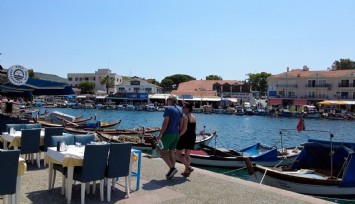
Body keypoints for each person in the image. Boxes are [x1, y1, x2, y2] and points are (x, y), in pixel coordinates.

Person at [157, 95, 183, 179]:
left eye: (167, 100)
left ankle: (172, 168)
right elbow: (181, 123)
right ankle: (171, 173)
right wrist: (179, 133)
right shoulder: (180, 109)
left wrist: (160, 134)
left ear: (171, 100)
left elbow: (166, 122)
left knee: (162, 151)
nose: (167, 101)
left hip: (168, 133)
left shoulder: (168, 109)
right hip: (176, 134)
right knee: (172, 152)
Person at [176, 102, 196, 177]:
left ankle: (188, 167)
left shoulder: (185, 117)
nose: (182, 109)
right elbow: (194, 128)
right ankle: (186, 172)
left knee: (178, 153)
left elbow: (184, 129)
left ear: (187, 109)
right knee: (187, 155)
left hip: (185, 136)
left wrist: (179, 136)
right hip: (192, 136)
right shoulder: (194, 116)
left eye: (184, 107)